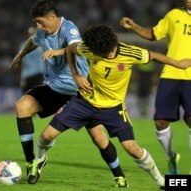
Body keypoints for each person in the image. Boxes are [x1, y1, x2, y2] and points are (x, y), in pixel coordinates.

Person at [29, 24, 191, 189]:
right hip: (84, 102)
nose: (94, 55)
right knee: (46, 136)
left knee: (131, 148)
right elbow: (70, 50)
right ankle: (39, 160)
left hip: (114, 108)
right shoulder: (89, 47)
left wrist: (178, 64)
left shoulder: (130, 53)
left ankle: (161, 181)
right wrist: (76, 75)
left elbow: (154, 56)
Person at [10, 0, 127, 187]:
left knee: (98, 137)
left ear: (52, 17)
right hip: (54, 88)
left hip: (79, 91)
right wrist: (20, 56)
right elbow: (32, 41)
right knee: (22, 106)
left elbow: (76, 48)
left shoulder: (68, 28)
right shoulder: (42, 32)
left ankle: (119, 175)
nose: (38, 27)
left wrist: (58, 51)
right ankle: (32, 162)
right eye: (36, 23)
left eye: (41, 22)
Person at [120, 0, 191, 175]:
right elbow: (153, 34)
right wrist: (134, 26)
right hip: (171, 75)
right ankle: (171, 157)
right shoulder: (174, 15)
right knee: (160, 122)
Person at [19, 26, 45, 94]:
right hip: (28, 74)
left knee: (37, 95)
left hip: (38, 74)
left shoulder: (41, 45)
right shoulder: (23, 45)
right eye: (30, 33)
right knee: (26, 95)